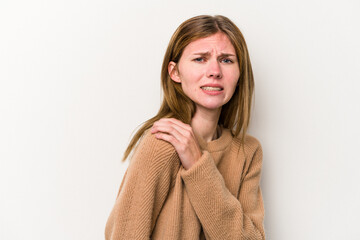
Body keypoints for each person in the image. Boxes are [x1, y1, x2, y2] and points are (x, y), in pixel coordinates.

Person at [105, 15, 265, 240]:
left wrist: (197, 165)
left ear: (239, 75)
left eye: (227, 60)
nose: (215, 71)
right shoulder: (162, 143)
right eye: (200, 59)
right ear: (175, 72)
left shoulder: (248, 152)